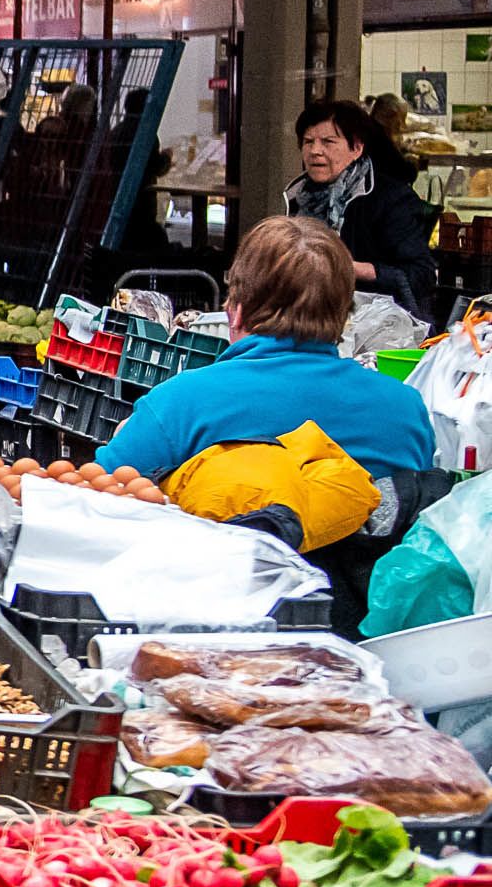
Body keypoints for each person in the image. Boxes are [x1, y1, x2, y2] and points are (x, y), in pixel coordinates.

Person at [97, 217, 439, 630]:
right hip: (356, 642)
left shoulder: (180, 403)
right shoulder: (405, 409)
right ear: (344, 316)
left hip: (214, 642)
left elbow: (99, 506)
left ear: (235, 309)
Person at [290, 99, 434, 320]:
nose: (315, 151)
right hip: (311, 320)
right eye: (308, 142)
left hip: (377, 327)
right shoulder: (298, 197)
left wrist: (353, 268)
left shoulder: (390, 198)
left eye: (328, 142)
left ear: (356, 147)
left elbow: (421, 275)